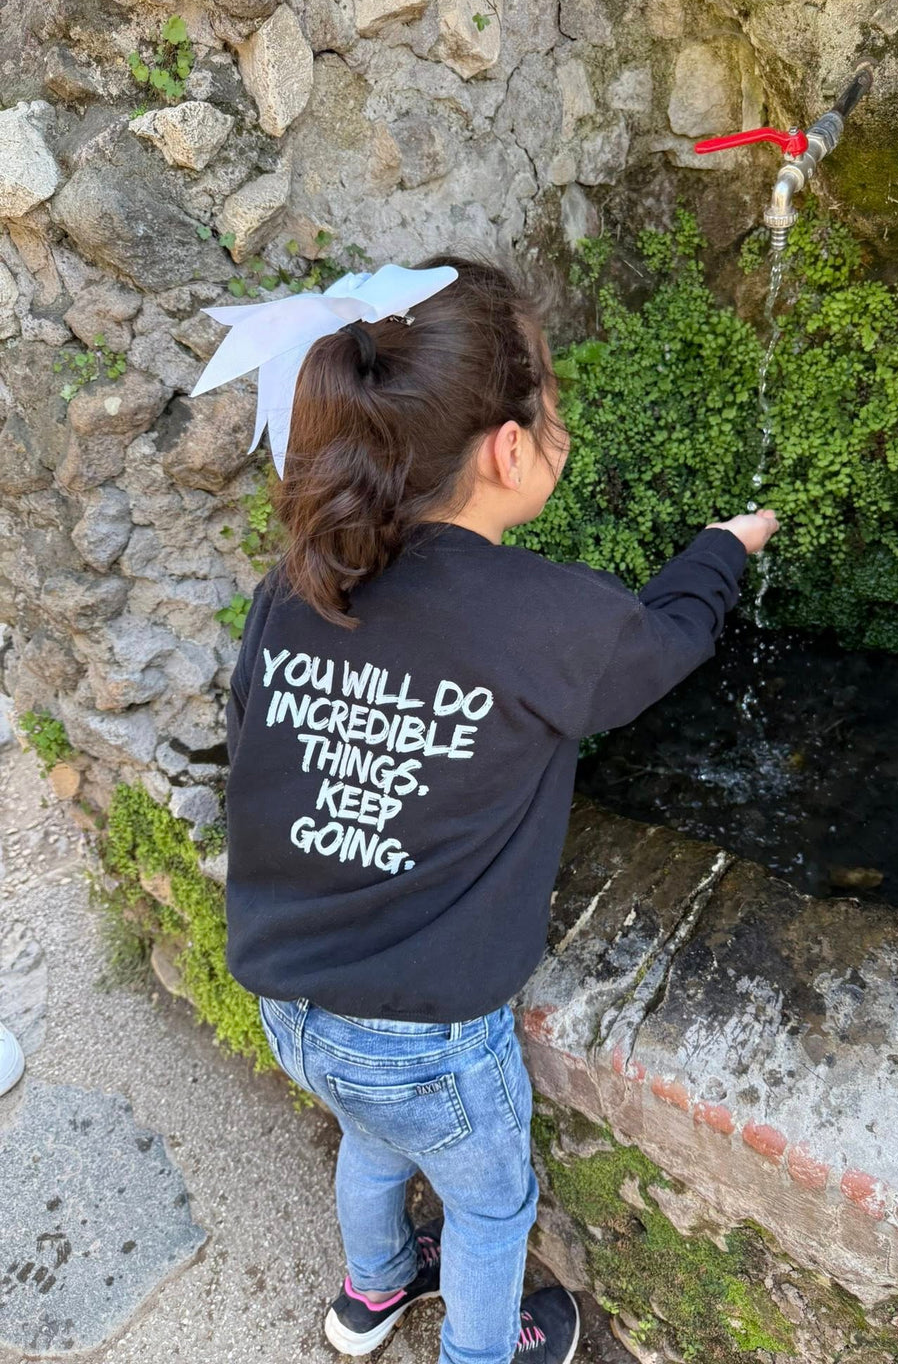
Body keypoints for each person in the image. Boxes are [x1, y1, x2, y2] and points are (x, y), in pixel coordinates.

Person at [216, 252, 778, 1364]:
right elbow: (664, 644)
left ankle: (370, 1294)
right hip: (430, 1037)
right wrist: (724, 548)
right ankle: (485, 1350)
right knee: (489, 1203)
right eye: (554, 404)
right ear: (510, 448)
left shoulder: (297, 584)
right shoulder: (547, 620)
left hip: (289, 998)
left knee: (373, 1141)